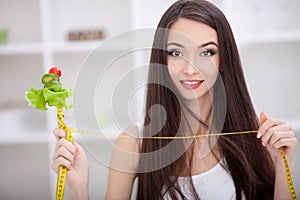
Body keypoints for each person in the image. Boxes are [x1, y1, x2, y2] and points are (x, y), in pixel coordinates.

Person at [51, 0, 298, 199]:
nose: (191, 69)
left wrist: (282, 163)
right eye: (176, 52)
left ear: (224, 59)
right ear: (162, 59)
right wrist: (79, 188)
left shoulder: (258, 135)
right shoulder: (134, 143)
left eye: (207, 52)